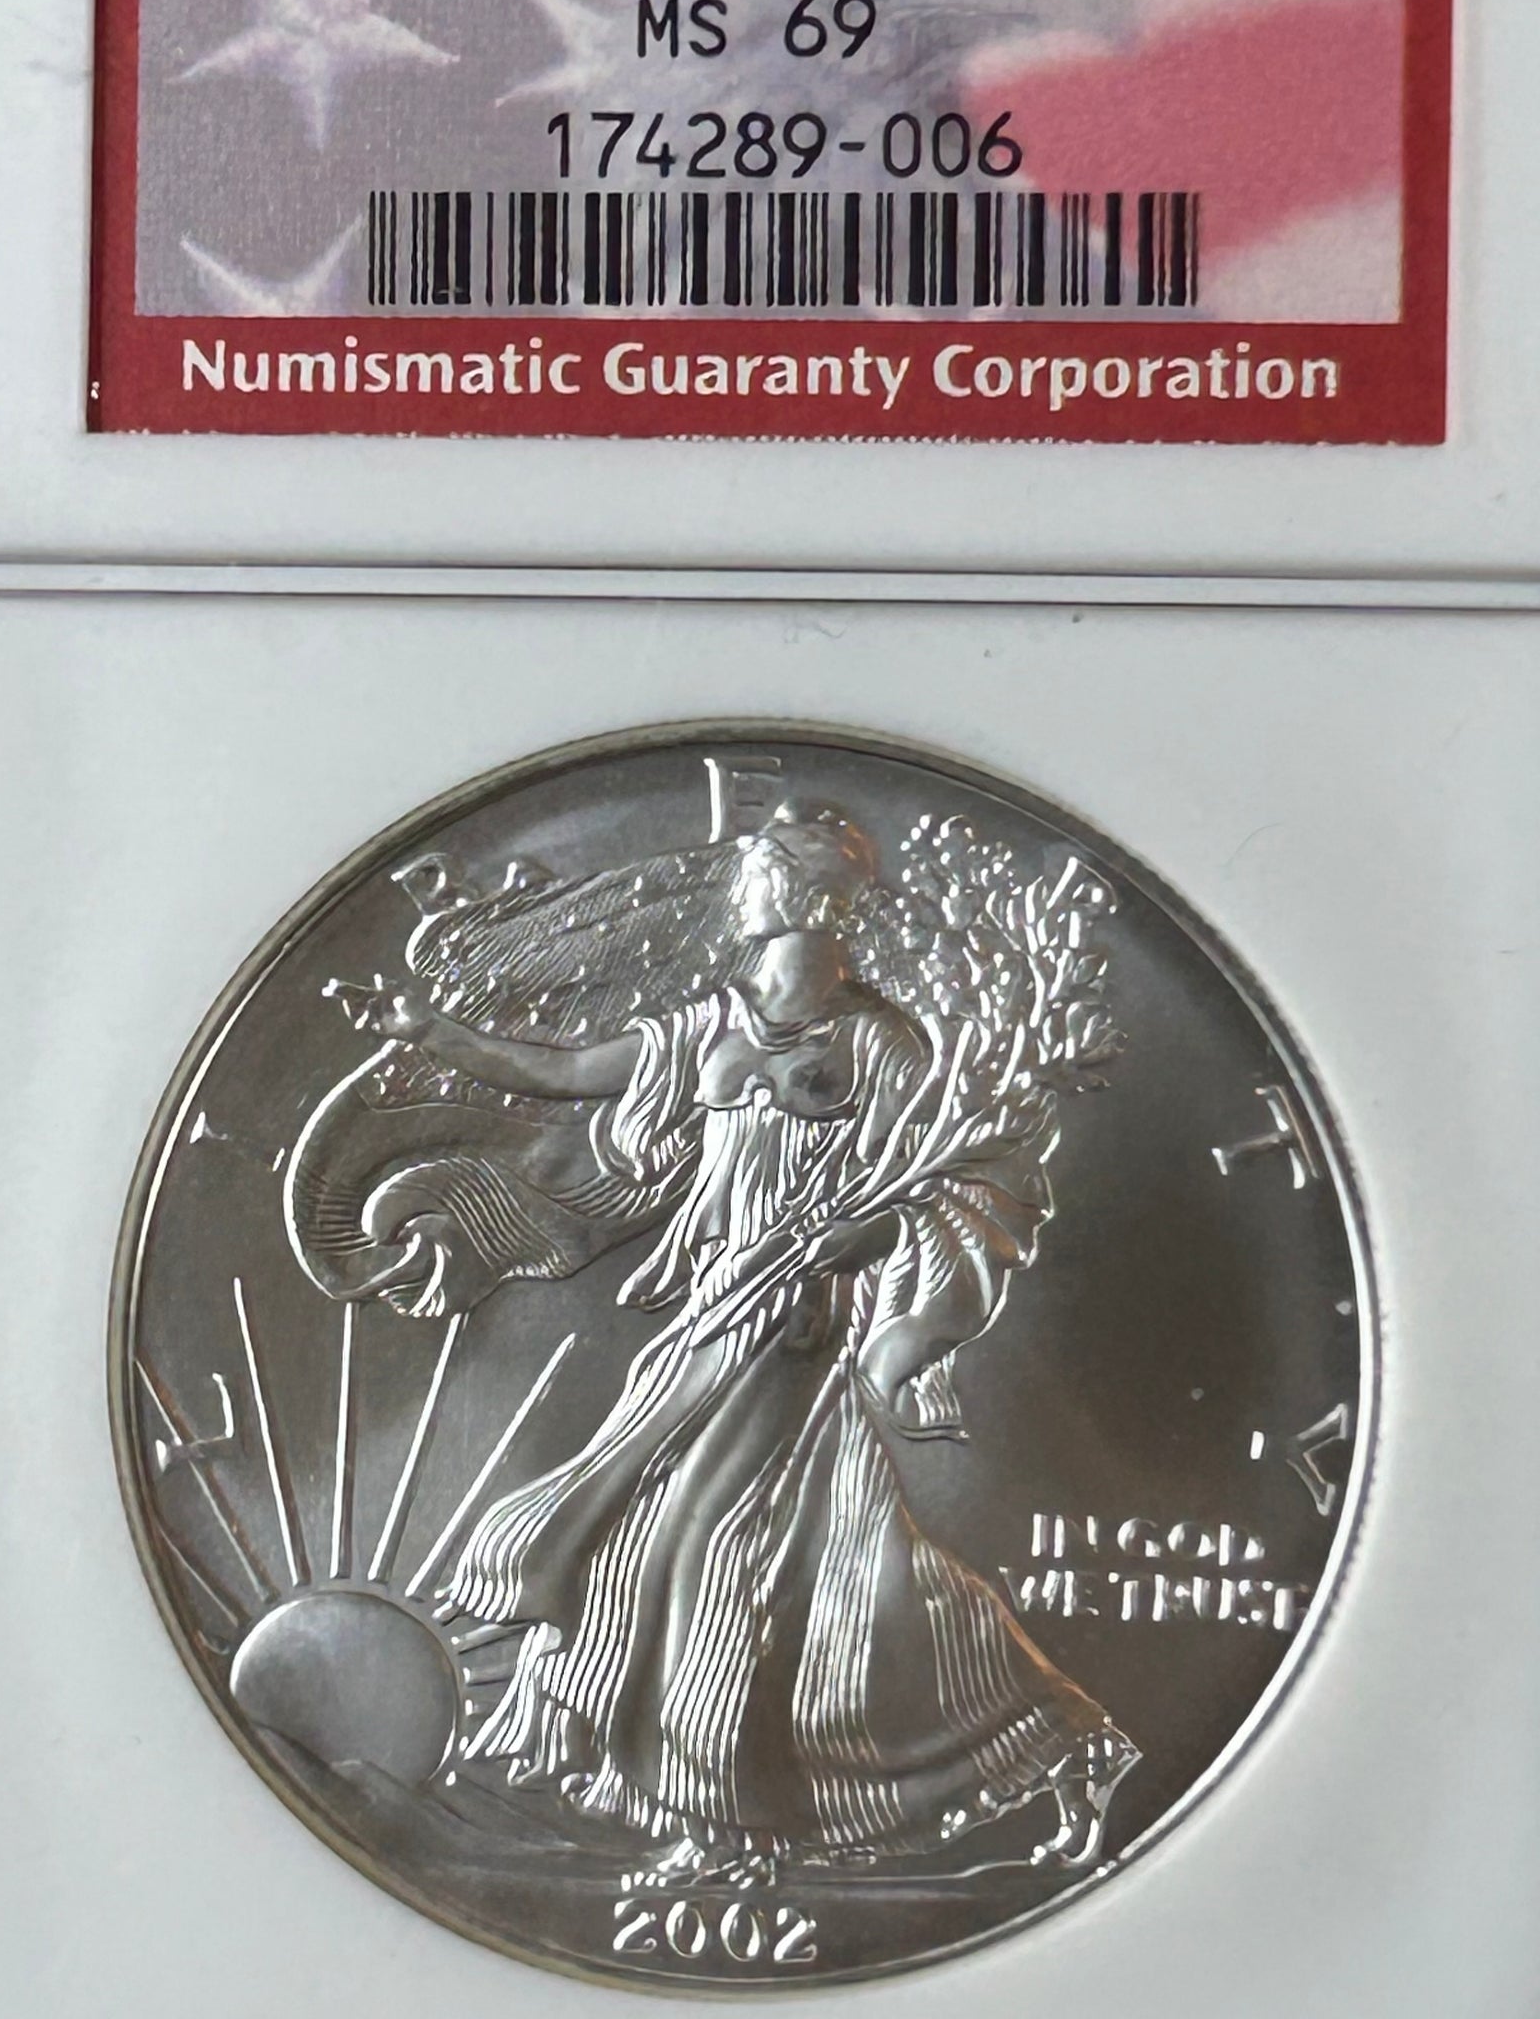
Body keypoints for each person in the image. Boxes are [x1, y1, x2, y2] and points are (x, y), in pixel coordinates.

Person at [355, 805, 1135, 1885]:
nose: (742, 887)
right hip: (720, 1300)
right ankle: (1054, 1739)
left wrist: (869, 1244)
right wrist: (434, 1034)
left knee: (709, 1545)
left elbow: (957, 1182)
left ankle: (724, 1818)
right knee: (802, 1556)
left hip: (799, 1321)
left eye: (760, 872)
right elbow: (572, 1070)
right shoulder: (708, 1024)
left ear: (805, 897)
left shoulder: (880, 1043)